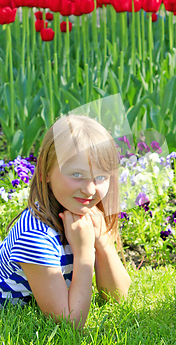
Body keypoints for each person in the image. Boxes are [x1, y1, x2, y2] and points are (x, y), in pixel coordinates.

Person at [0, 114, 131, 328]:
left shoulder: (85, 214)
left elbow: (119, 296)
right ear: (44, 172)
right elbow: (69, 323)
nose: (90, 190)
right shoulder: (34, 236)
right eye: (77, 174)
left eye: (100, 177)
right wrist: (84, 252)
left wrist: (102, 241)